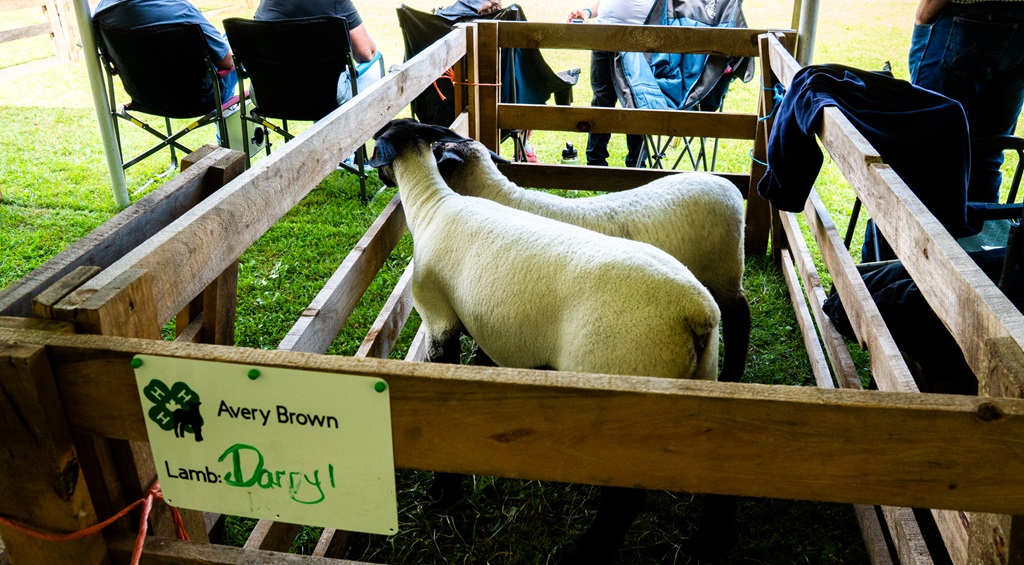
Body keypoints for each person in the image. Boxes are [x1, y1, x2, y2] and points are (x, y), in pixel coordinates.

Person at [909, 0, 1024, 204]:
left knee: (922, 147)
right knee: (988, 151)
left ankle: (906, 235)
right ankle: (975, 231)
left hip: (968, 15)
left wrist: (924, 13)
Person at [92, 0, 237, 107]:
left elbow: (114, 67)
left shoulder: (101, 13)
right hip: (199, 100)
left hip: (146, 99)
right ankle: (232, 141)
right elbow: (226, 62)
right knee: (243, 46)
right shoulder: (180, 9)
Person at [567, 0, 655, 167]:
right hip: (603, 38)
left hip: (639, 42)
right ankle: (595, 165)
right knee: (601, 101)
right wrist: (586, 12)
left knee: (636, 102)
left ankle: (636, 167)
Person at [253, 0, 383, 105]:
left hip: (268, 94)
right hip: (324, 95)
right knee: (373, 70)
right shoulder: (335, 2)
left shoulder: (266, 4)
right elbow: (366, 53)